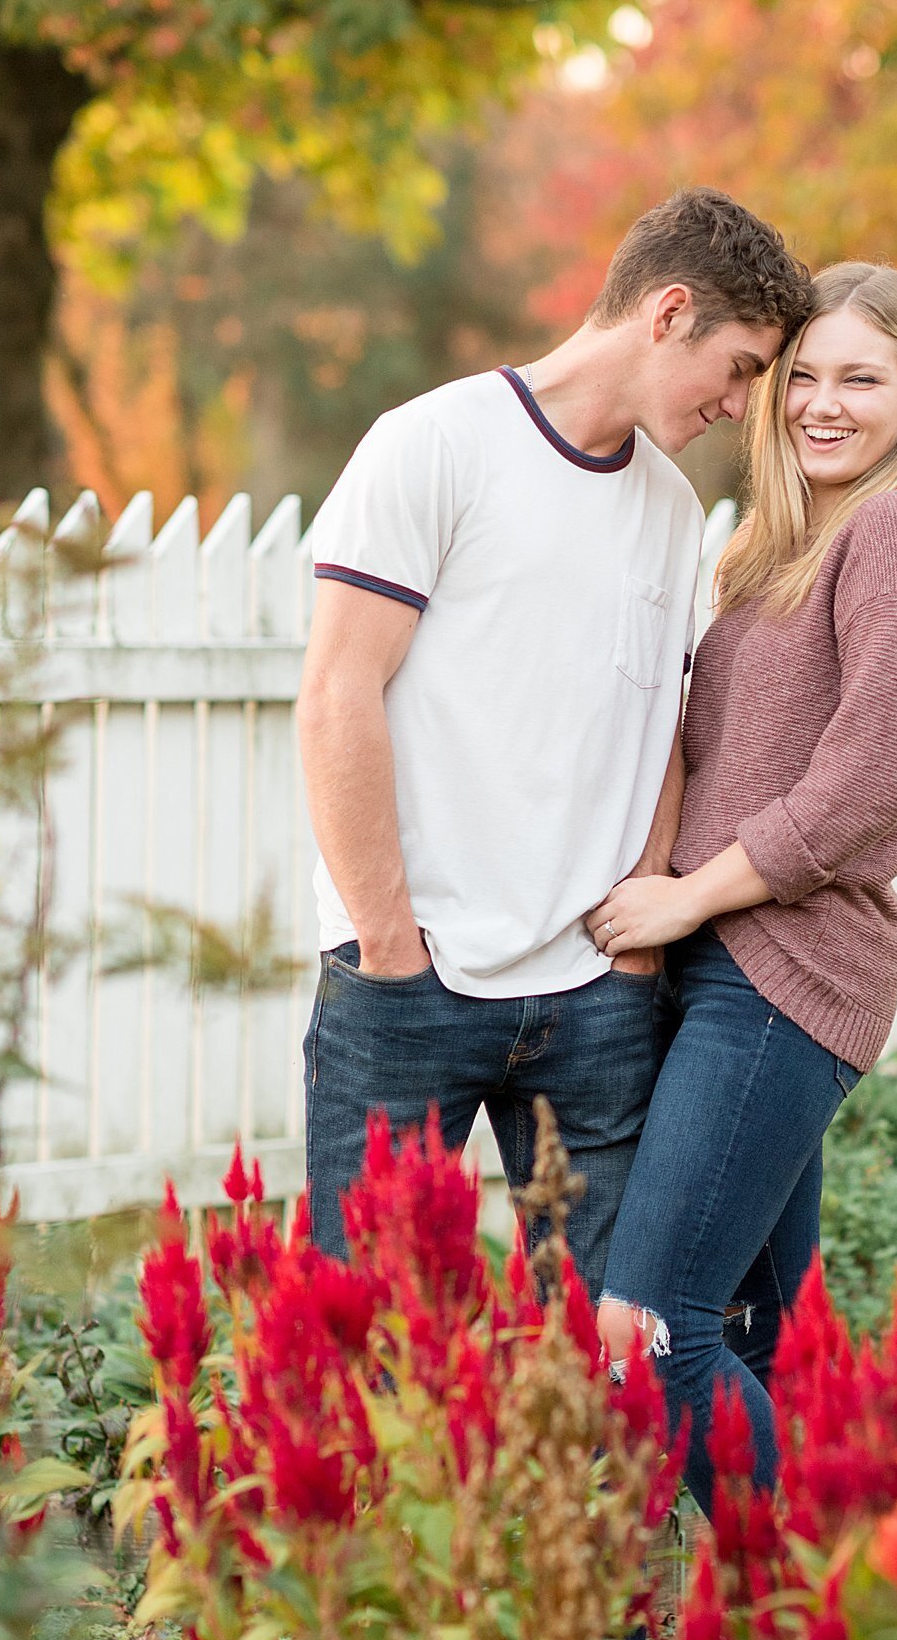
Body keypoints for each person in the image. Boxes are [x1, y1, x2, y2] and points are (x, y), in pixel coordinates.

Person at [297, 188, 812, 1302]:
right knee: (367, 1346)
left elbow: (663, 727)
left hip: (592, 1000)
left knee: (599, 1359)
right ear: (668, 311)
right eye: (738, 366)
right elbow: (338, 693)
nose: (739, 403)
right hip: (408, 984)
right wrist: (390, 945)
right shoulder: (433, 444)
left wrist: (633, 933)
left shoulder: (673, 511)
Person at [589, 261, 897, 1507]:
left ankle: (812, 1624)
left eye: (859, 378)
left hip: (783, 980)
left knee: (647, 1329)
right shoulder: (772, 548)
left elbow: (864, 779)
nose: (820, 402)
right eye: (801, 375)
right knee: (764, 1343)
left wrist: (684, 896)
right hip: (723, 972)